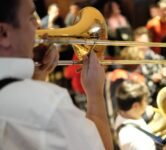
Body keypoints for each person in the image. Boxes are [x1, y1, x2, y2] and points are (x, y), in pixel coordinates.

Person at [0, 0, 113, 150]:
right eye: (30, 18)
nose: (38, 26)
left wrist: (37, 77)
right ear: (4, 34)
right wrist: (95, 94)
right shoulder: (49, 107)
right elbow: (102, 146)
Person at [114, 80, 166, 150]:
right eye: (145, 101)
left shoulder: (123, 114)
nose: (147, 104)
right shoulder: (136, 139)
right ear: (135, 106)